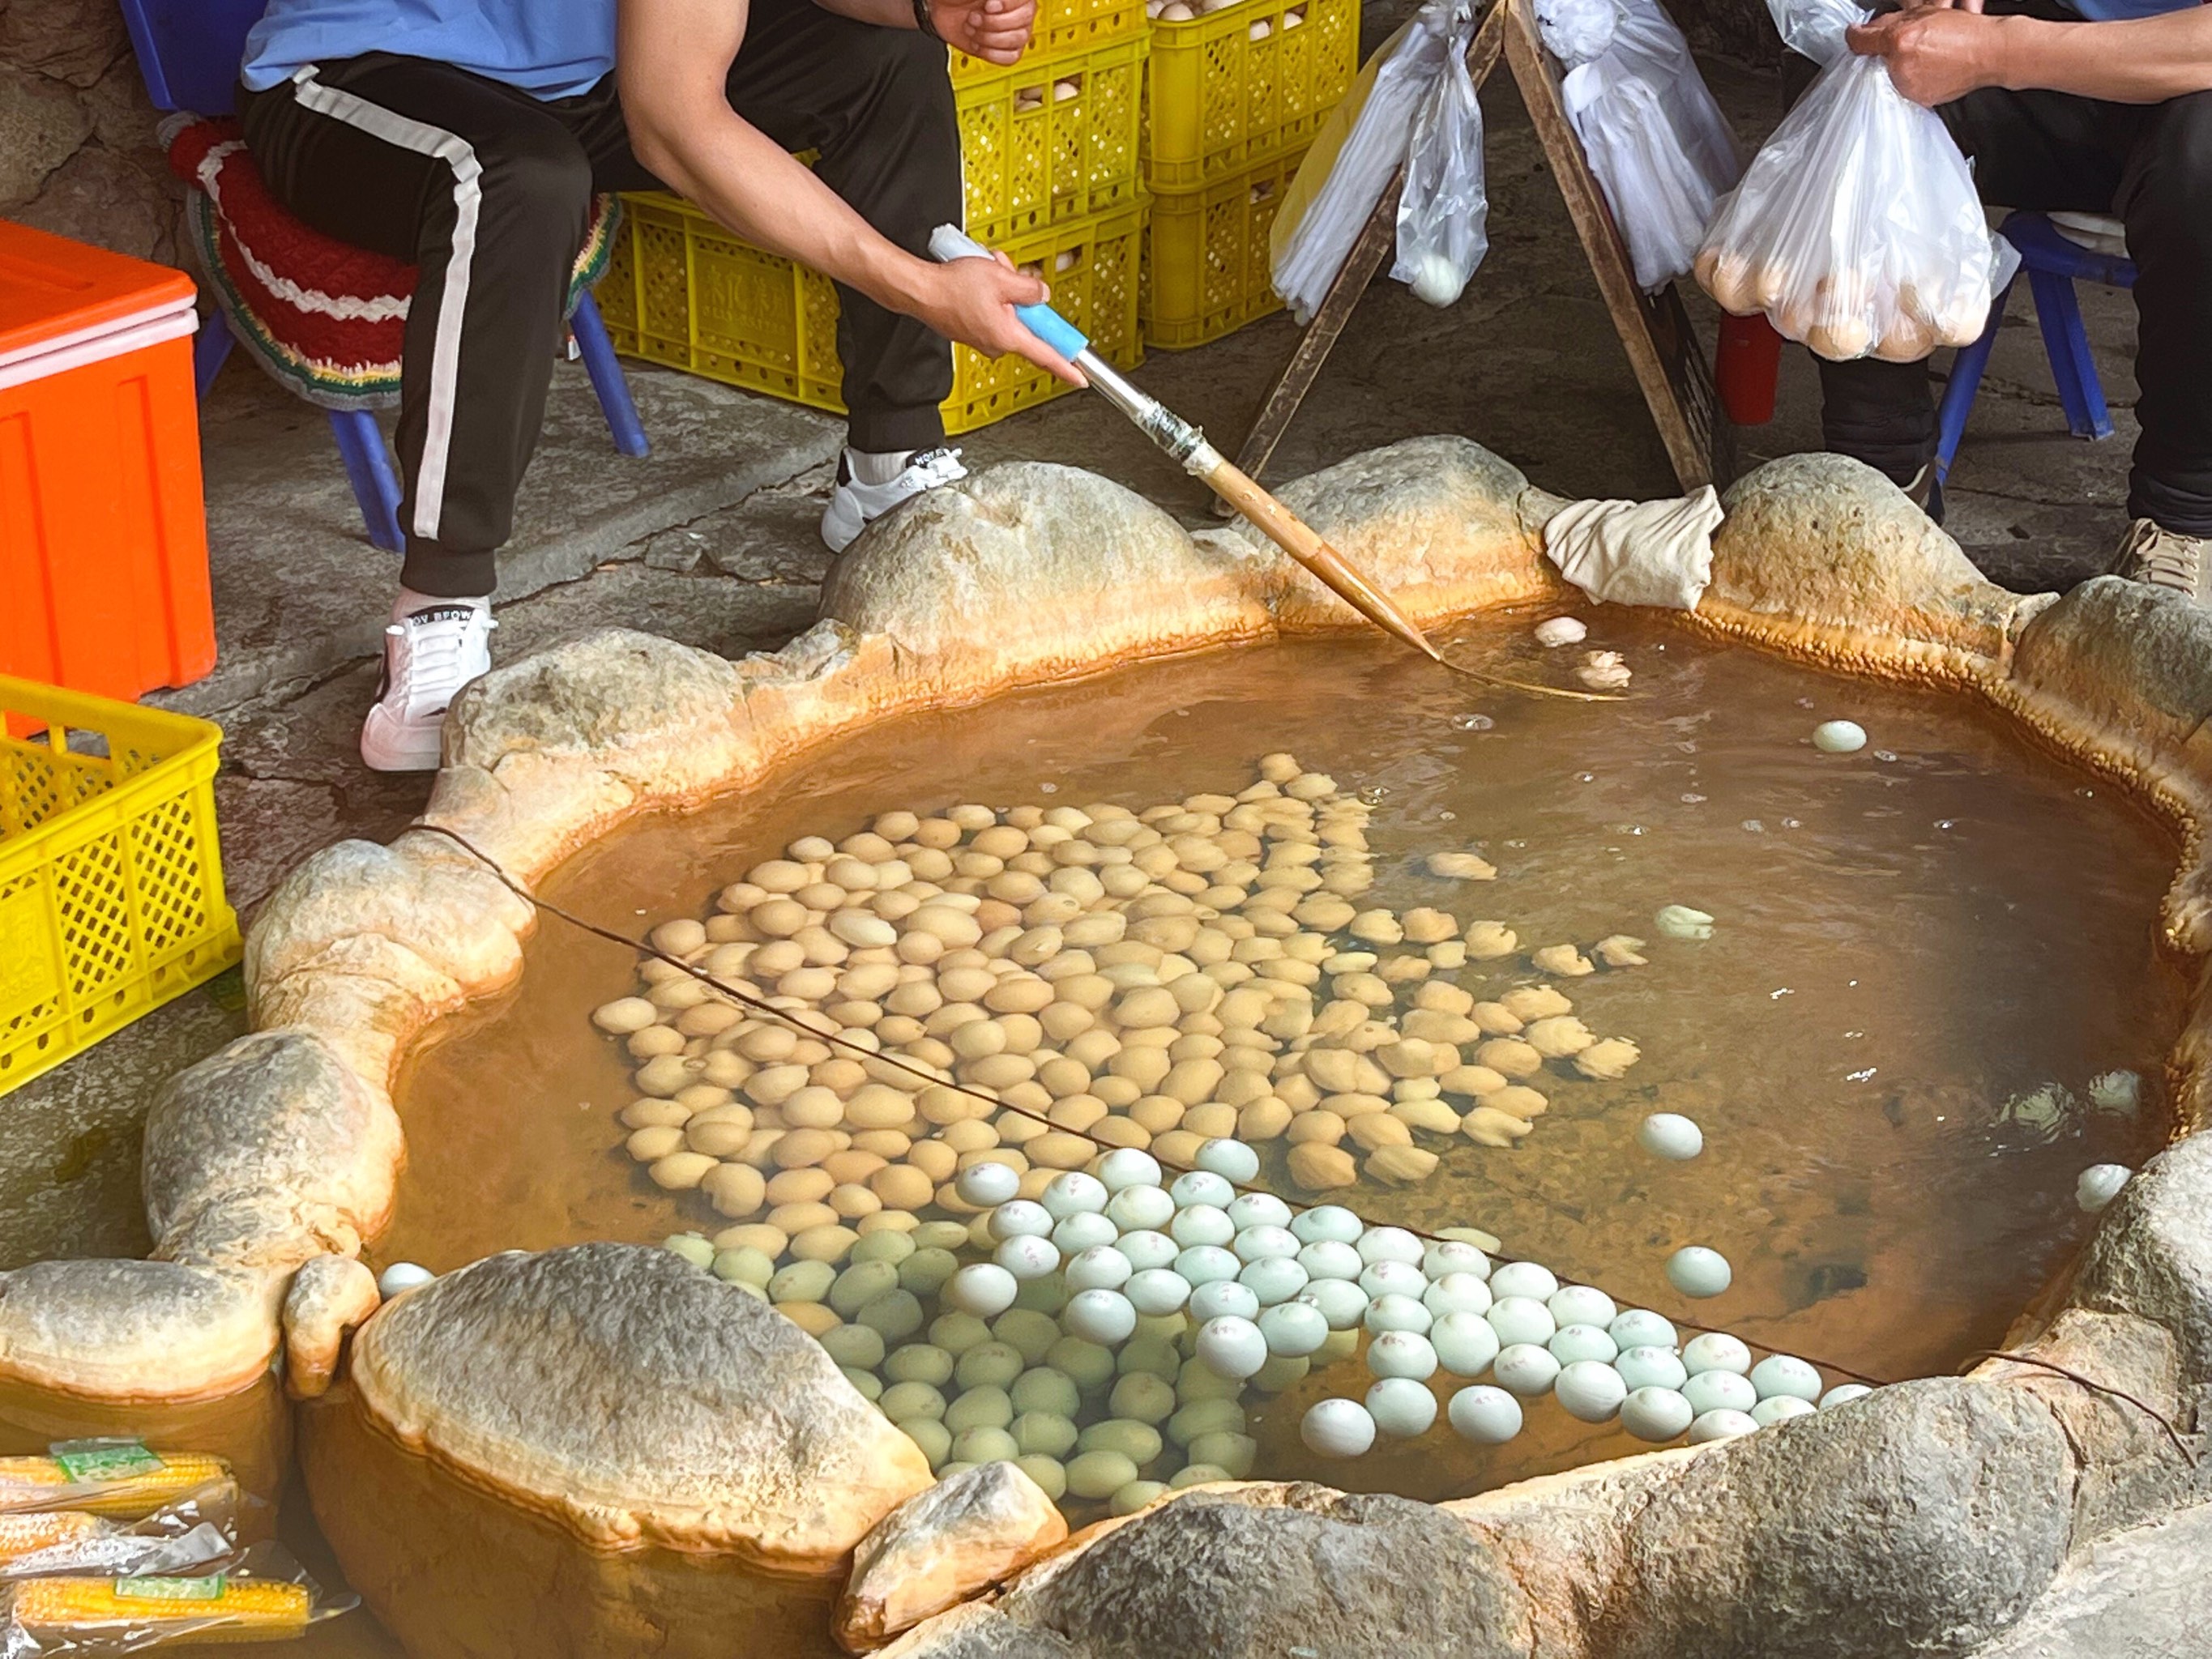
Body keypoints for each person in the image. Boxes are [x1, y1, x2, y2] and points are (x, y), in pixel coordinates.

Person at [235, 0, 1082, 770]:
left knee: (890, 58)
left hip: (591, 77)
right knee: (519, 176)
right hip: (363, 72)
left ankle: (890, 459)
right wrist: (923, 285)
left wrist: (923, 9)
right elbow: (676, 122)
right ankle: (438, 603)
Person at [1821, 0, 2212, 602]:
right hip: (2050, 59)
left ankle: (2183, 522)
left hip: (2189, 81)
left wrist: (1993, 49)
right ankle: (1887, 481)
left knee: (2204, 163)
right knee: (1861, 75)